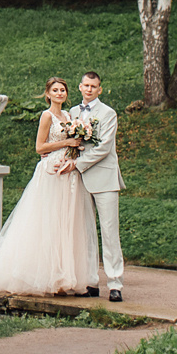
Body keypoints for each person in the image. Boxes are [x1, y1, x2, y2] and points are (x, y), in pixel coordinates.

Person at [0, 76, 98, 295]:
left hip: (69, 172)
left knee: (67, 221)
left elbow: (76, 140)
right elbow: (39, 147)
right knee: (48, 220)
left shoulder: (70, 116)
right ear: (48, 94)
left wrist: (75, 150)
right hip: (51, 171)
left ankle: (65, 275)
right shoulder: (47, 116)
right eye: (55, 90)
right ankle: (45, 274)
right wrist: (66, 143)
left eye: (63, 90)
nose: (60, 93)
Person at [63, 69, 125, 302]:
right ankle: (90, 281)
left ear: (99, 89)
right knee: (86, 231)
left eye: (93, 86)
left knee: (109, 232)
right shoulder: (73, 112)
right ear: (80, 87)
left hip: (104, 178)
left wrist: (77, 164)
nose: (89, 89)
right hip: (79, 179)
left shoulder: (108, 113)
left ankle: (115, 283)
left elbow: (104, 148)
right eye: (85, 85)